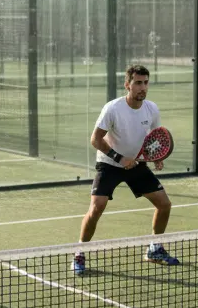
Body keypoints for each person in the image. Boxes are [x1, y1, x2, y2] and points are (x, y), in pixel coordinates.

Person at [73, 64, 179, 275]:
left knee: (164, 204)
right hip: (110, 164)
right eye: (138, 83)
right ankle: (79, 252)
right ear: (127, 85)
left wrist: (156, 157)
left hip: (137, 164)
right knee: (97, 207)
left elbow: (155, 137)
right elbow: (95, 139)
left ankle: (154, 249)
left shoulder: (151, 108)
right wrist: (120, 158)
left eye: (146, 83)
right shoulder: (113, 108)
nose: (143, 87)